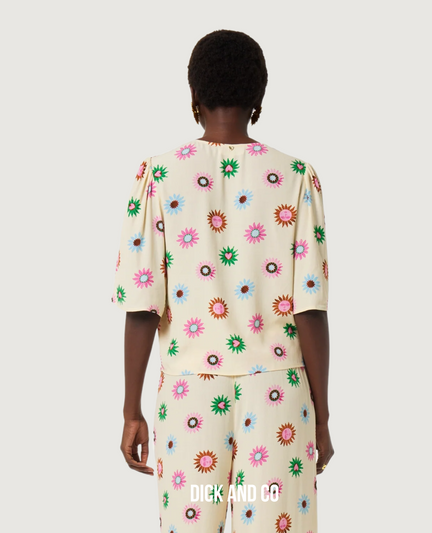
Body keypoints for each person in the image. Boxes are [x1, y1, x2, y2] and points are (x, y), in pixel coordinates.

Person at [110, 29, 334, 533]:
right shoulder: (296, 177)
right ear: (259, 98)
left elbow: (143, 305)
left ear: (194, 95)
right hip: (279, 391)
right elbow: (310, 308)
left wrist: (131, 410)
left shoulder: (158, 176)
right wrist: (322, 416)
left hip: (190, 393)